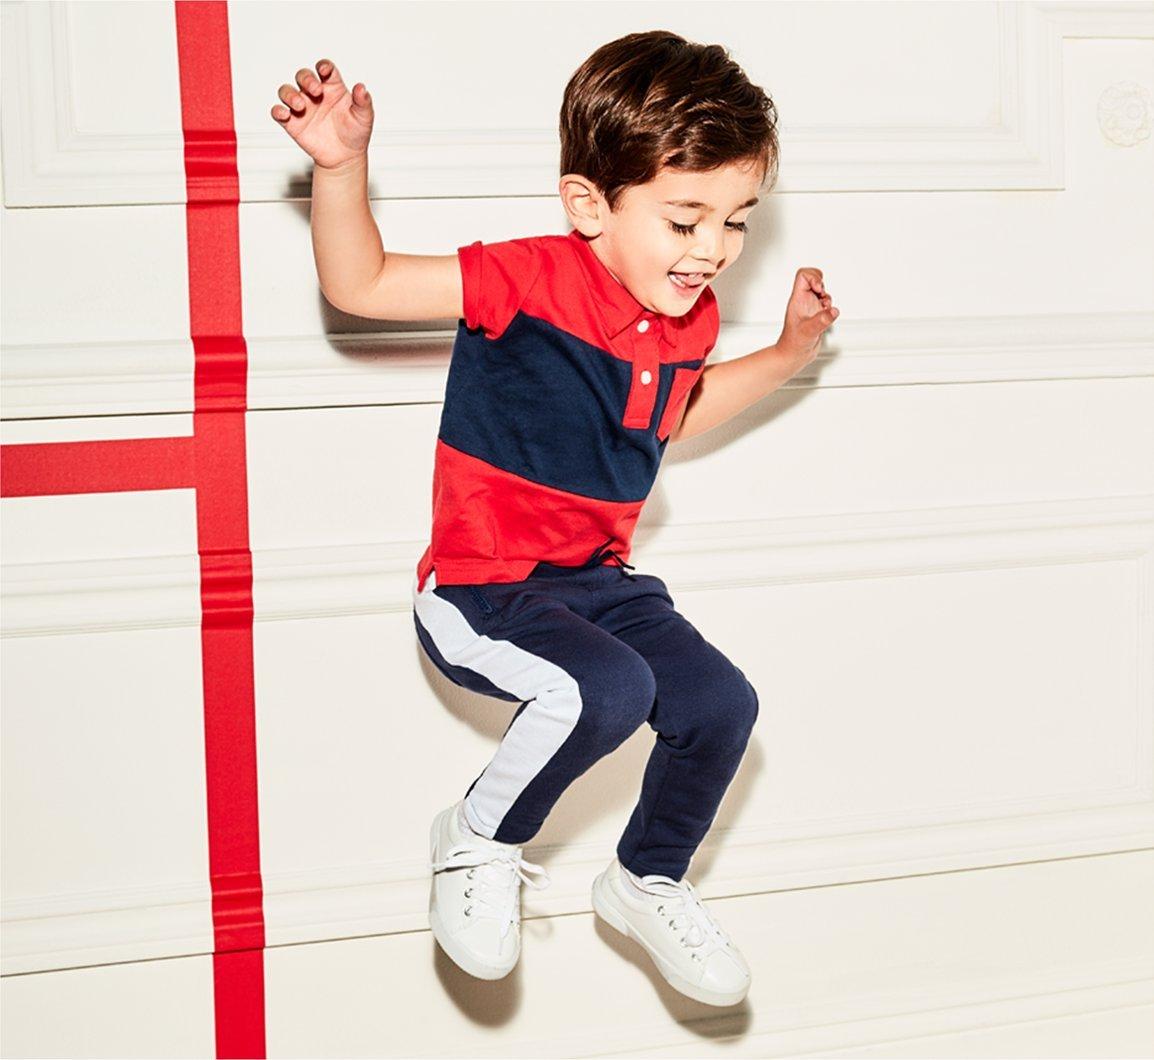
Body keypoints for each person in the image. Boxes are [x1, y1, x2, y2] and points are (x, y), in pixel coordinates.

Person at [272, 30, 837, 1008]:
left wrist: (787, 353)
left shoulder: (688, 319)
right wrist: (340, 166)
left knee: (719, 706)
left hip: (596, 582)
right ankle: (476, 838)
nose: (712, 250)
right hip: (481, 586)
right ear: (589, 204)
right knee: (604, 691)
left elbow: (679, 412)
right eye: (685, 219)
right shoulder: (523, 280)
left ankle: (645, 879)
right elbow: (360, 285)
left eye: (736, 222)